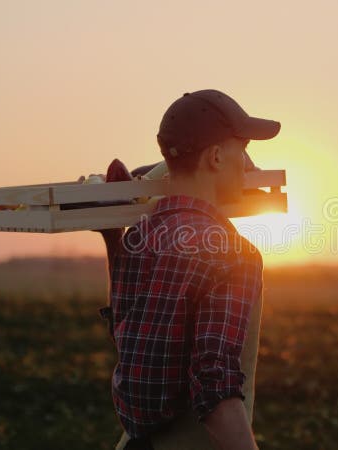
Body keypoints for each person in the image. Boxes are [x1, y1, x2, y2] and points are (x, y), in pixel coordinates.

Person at [95, 89, 280, 450]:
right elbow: (214, 388)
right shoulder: (231, 253)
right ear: (214, 156)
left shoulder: (138, 236)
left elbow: (132, 338)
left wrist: (111, 238)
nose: (248, 163)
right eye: (241, 149)